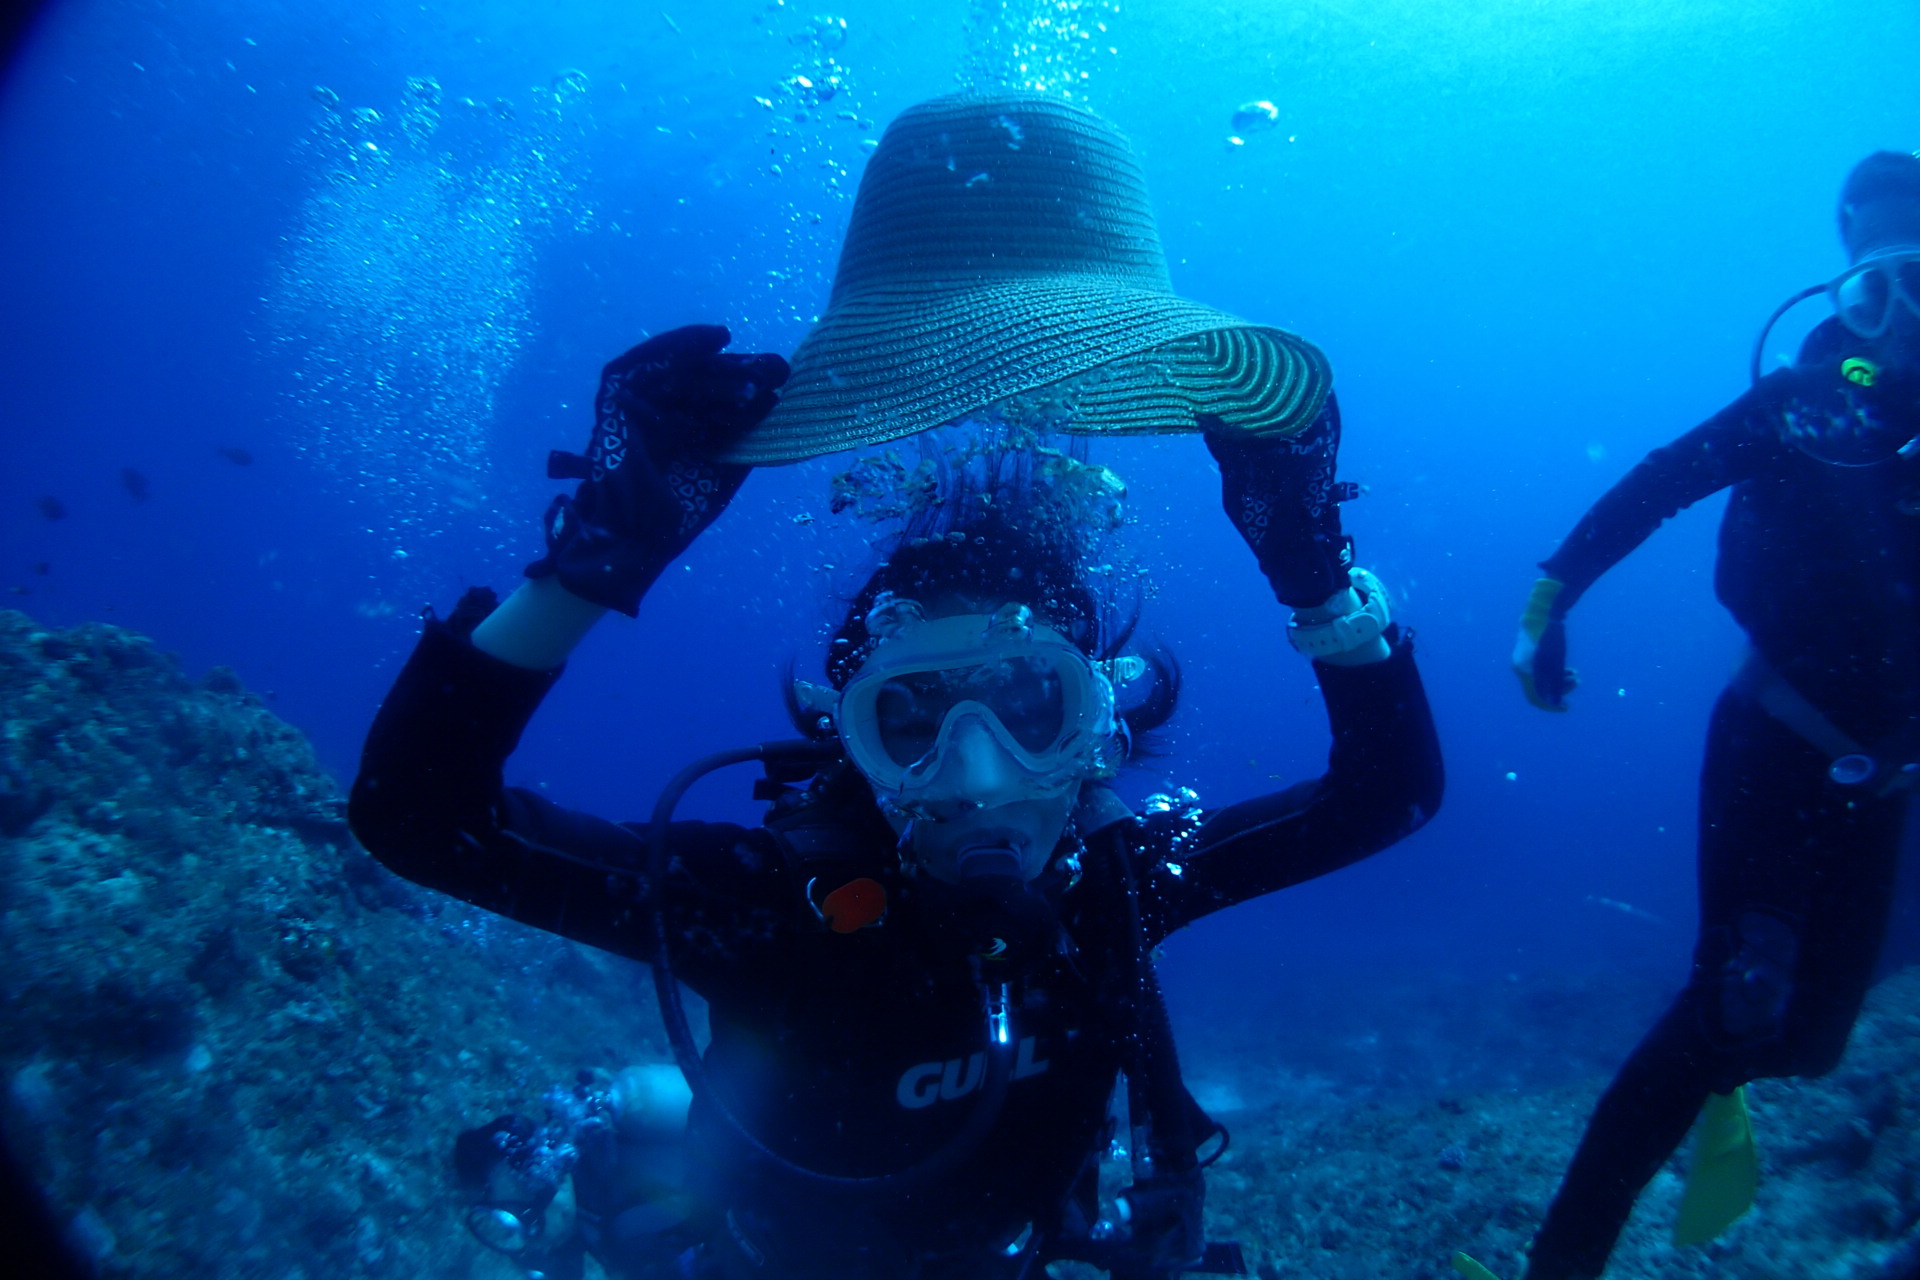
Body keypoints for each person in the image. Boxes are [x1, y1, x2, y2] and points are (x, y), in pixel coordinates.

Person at [352, 90, 1443, 1280]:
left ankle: (632, 1111)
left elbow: (1386, 795)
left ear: (1100, 724)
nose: (976, 773)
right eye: (911, 716)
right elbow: (421, 820)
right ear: (847, 735)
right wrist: (585, 570)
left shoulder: (1118, 886)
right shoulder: (773, 906)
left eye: (1029, 706)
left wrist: (1318, 576)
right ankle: (610, 1136)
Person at [1499, 151, 1920, 1279]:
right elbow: (1662, 479)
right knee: (1731, 1002)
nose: (1901, 316)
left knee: (1814, 1043)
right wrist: (1550, 600)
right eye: (1876, 288)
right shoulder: (1802, 406)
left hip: (1889, 772)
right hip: (1776, 740)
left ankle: (1723, 1077)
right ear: (1848, 296)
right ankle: (1560, 1264)